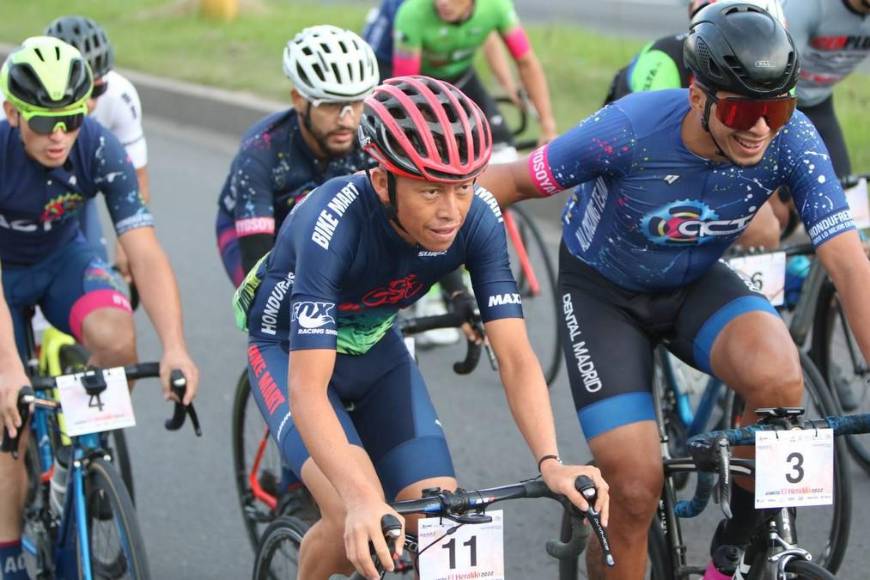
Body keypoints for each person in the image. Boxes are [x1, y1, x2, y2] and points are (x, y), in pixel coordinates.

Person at [479, 3, 870, 578]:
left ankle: (735, 541)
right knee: (635, 487)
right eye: (741, 108)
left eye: (777, 108)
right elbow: (508, 182)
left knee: (781, 380)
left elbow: (848, 263)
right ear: (698, 96)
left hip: (692, 283)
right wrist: (420, 238)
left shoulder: (793, 139)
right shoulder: (629, 129)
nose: (760, 127)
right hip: (603, 295)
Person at [233, 75, 609, 579]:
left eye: (462, 187)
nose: (450, 211)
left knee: (440, 516)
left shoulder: (477, 218)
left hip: (373, 345)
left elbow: (516, 358)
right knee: (351, 514)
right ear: (384, 179)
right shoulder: (331, 222)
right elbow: (308, 388)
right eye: (430, 190)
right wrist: (364, 497)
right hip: (287, 352)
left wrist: (551, 461)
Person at [0, 37, 199, 580]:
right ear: (12, 113)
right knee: (7, 424)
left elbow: (145, 253)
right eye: (44, 122)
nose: (59, 134)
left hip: (61, 259)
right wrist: (9, 369)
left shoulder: (98, 145)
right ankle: (9, 551)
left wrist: (175, 348)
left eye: (70, 118)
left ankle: (77, 451)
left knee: (116, 337)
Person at [603, 0, 788, 250]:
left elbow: (770, 140)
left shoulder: (777, 67)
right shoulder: (664, 59)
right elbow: (647, 146)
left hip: (718, 149)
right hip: (649, 153)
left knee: (774, 220)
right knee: (759, 227)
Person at [215, 25, 379, 287]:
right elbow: (258, 266)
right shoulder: (260, 151)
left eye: (357, 103)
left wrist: (457, 296)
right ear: (298, 100)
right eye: (330, 104)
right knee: (271, 308)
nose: (347, 120)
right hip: (264, 234)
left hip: (330, 231)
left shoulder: (370, 141)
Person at [44, 15, 150, 279]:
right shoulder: (11, 95)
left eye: (96, 89)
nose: (89, 103)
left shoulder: (120, 96)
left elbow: (137, 177)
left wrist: (127, 244)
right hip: (15, 190)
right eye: (76, 89)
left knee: (96, 281)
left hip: (76, 190)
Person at [393, 0, 557, 149]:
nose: (443, 2)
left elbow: (526, 63)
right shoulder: (412, 13)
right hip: (421, 83)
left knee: (501, 145)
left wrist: (547, 126)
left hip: (462, 77)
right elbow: (406, 86)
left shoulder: (496, 6)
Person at [782, 0, 870, 179]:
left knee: (844, 187)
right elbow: (778, 74)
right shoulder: (808, 6)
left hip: (819, 102)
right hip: (780, 101)